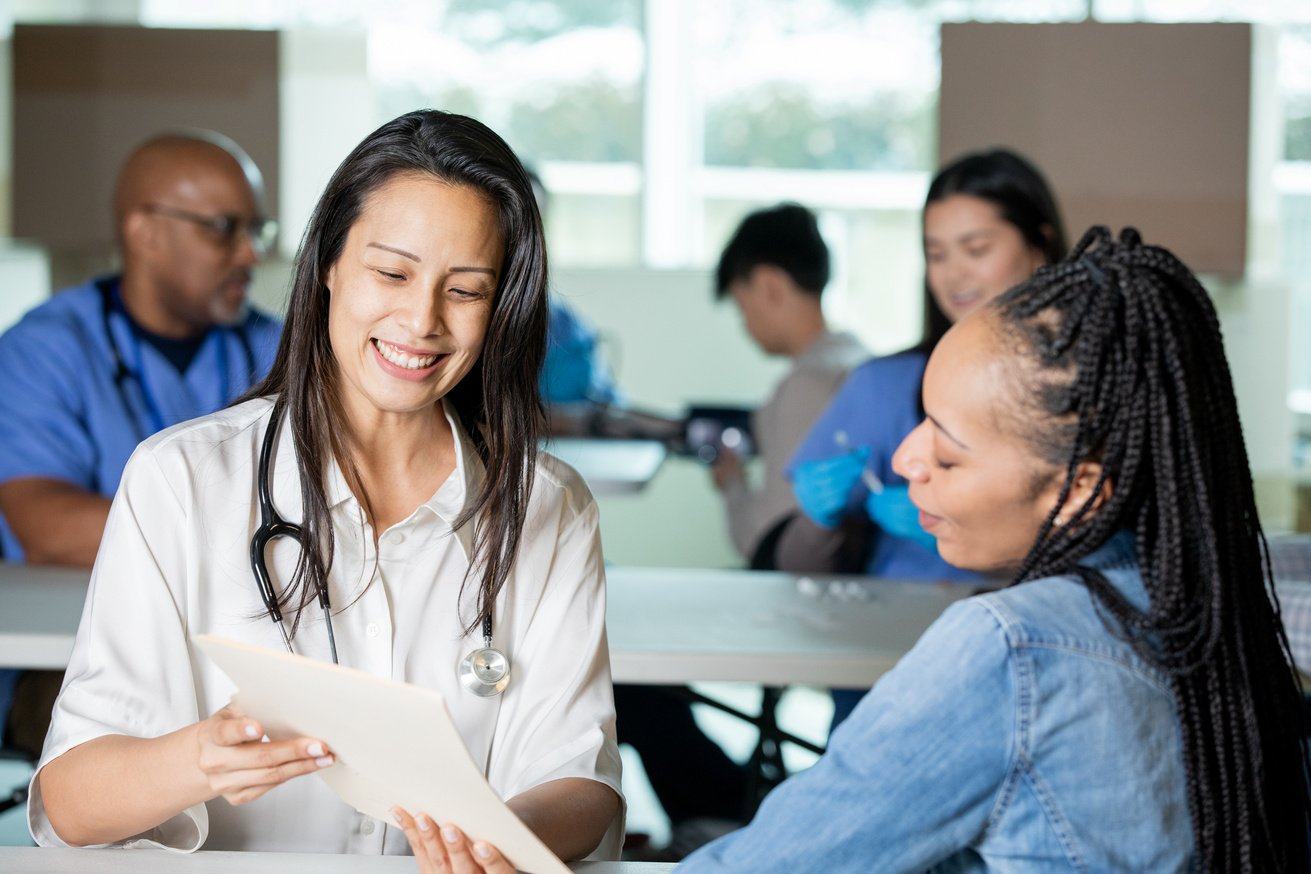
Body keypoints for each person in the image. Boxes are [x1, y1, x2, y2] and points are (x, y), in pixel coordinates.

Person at [28, 110, 622, 871]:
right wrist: (201, 758)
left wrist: (496, 839)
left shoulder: (546, 506)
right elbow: (72, 804)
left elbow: (580, 777)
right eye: (392, 273)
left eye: (466, 290)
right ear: (329, 266)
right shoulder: (181, 480)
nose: (421, 320)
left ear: (501, 306)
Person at [677, 227, 1311, 872]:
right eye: (920, 420)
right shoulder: (1209, 613)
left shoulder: (1008, 648)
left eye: (947, 454)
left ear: (1080, 492)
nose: (905, 459)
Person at [0, 131, 281, 758]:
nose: (249, 255)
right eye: (223, 228)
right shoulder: (45, 349)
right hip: (76, 652)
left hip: (252, 643)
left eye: (255, 231)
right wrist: (247, 529)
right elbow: (45, 524)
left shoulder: (278, 348)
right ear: (144, 232)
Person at [788, 147, 1066, 729]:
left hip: (1040, 663)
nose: (954, 273)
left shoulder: (1092, 385)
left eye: (977, 249)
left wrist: (994, 538)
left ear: (1039, 242)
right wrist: (822, 518)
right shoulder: (883, 384)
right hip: (888, 665)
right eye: (935, 254)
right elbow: (795, 565)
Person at [710, 202, 867, 568]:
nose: (744, 323)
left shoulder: (805, 385)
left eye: (741, 304)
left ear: (770, 285)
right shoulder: (856, 357)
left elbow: (767, 538)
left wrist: (732, 484)